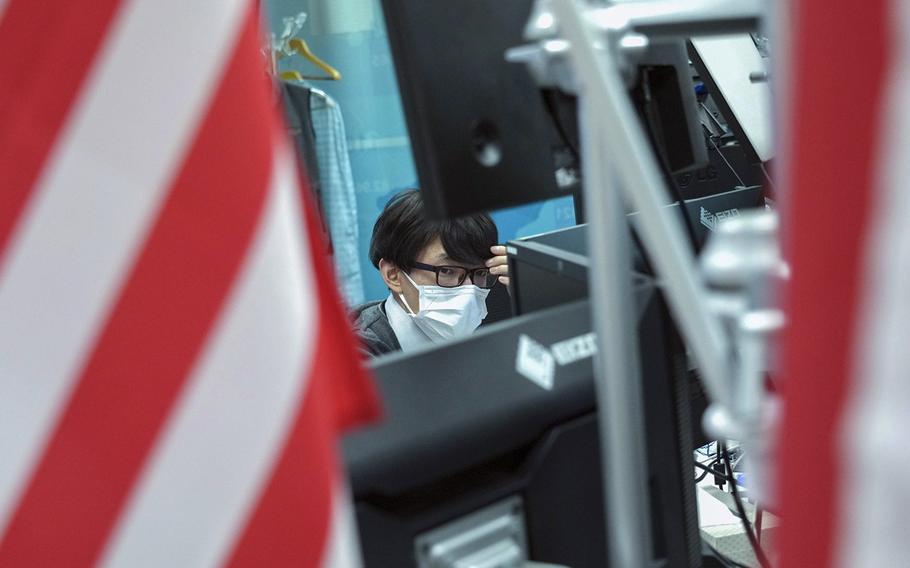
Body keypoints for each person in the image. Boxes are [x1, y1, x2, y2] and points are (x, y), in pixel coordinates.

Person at [351, 190, 510, 357]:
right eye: (447, 271)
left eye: (480, 272)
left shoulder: (499, 313)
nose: (469, 292)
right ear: (394, 275)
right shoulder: (354, 358)